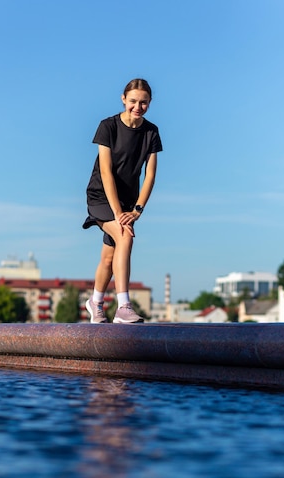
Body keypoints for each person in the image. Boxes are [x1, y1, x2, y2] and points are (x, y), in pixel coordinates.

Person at [83, 78, 163, 323]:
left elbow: (150, 175)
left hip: (128, 204)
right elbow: (106, 171)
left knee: (109, 255)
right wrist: (118, 213)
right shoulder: (108, 126)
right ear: (123, 99)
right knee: (125, 235)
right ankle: (123, 306)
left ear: (150, 103)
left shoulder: (151, 132)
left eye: (144, 102)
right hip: (101, 195)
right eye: (133, 101)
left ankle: (95, 302)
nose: (138, 107)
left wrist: (137, 210)